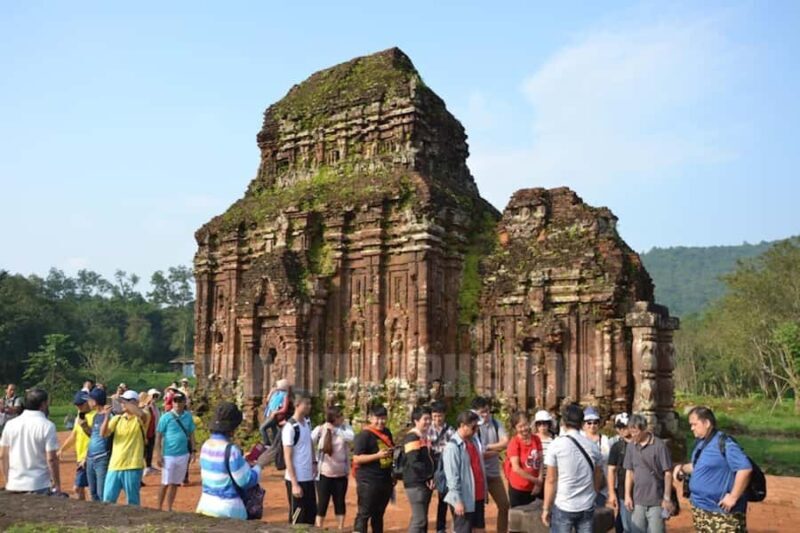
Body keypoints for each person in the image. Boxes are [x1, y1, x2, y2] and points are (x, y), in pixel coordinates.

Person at [672, 406, 752, 533]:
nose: (692, 428)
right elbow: (698, 466)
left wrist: (733, 496)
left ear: (707, 423)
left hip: (721, 513)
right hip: (701, 508)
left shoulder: (725, 443)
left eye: (694, 424)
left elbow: (745, 468)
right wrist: (681, 468)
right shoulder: (701, 443)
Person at [196, 401, 270, 519]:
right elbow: (246, 481)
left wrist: (243, 462)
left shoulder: (205, 446)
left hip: (206, 504)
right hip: (228, 509)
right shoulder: (231, 451)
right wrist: (260, 465)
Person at [541, 403, 604, 533]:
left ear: (563, 422)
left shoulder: (556, 445)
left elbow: (551, 480)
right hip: (586, 504)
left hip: (564, 504)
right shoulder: (592, 446)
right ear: (582, 423)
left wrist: (546, 508)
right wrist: (594, 494)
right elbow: (598, 475)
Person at [0, 388, 63, 495]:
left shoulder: (10, 424)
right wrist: (57, 484)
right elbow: (51, 459)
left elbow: (2, 455)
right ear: (43, 404)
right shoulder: (47, 425)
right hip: (38, 484)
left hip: (14, 484)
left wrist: (8, 481)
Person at [622, 414, 674, 533]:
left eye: (636, 432)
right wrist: (627, 496)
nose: (633, 435)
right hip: (638, 501)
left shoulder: (659, 446)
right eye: (631, 432)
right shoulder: (631, 447)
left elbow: (668, 473)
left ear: (644, 429)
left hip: (657, 502)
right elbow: (629, 472)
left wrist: (667, 498)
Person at [101, 389, 151, 505]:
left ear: (135, 402)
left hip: (133, 465)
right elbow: (103, 433)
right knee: (107, 500)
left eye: (127, 401)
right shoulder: (117, 419)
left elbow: (141, 414)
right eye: (123, 401)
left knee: (133, 501)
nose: (123, 404)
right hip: (115, 465)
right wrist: (106, 416)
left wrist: (121, 400)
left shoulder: (142, 417)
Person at [353, 404, 395, 533]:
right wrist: (377, 456)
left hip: (385, 480)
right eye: (377, 418)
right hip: (368, 481)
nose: (380, 422)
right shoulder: (364, 435)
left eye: (383, 418)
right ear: (370, 418)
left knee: (378, 514)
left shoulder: (387, 432)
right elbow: (357, 458)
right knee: (364, 514)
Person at [443, 410, 487, 533]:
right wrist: (457, 501)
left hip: (477, 496)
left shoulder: (473, 442)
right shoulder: (452, 447)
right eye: (473, 427)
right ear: (463, 426)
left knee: (479, 530)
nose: (476, 430)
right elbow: (452, 477)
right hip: (464, 499)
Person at [471, 396, 510, 533]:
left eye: (487, 411)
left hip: (493, 474)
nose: (486, 415)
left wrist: (487, 447)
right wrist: (497, 451)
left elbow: (505, 442)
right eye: (482, 412)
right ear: (475, 412)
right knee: (477, 509)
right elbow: (477, 453)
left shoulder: (496, 422)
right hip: (477, 476)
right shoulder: (473, 427)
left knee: (504, 505)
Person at [312, 406, 354, 530]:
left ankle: (340, 528)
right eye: (340, 416)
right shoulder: (320, 430)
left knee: (339, 502)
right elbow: (309, 441)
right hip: (324, 474)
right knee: (322, 503)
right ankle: (319, 527)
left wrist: (335, 430)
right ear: (334, 418)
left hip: (341, 474)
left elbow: (351, 437)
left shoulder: (344, 428)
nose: (342, 418)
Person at [154, 391, 196, 511]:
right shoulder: (166, 417)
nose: (177, 404)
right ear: (172, 403)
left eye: (179, 401)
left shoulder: (188, 416)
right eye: (175, 401)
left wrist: (193, 450)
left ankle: (169, 507)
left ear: (184, 403)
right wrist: (158, 454)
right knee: (165, 482)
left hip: (183, 454)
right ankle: (159, 507)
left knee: (175, 482)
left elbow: (191, 434)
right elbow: (158, 436)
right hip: (169, 454)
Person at [283, 392, 317, 525]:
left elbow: (309, 443)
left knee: (311, 513)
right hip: (297, 478)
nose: (309, 406)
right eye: (306, 404)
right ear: (297, 405)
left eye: (310, 403)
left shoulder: (307, 422)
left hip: (308, 477)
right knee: (298, 517)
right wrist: (294, 484)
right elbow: (288, 457)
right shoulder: (290, 427)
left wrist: (314, 462)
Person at [403, 406, 436, 533]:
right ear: (416, 420)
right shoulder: (412, 437)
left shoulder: (423, 437)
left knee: (421, 519)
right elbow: (414, 461)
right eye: (425, 419)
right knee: (419, 520)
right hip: (416, 483)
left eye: (429, 419)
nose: (428, 422)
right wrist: (428, 476)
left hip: (423, 483)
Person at [57, 391, 93, 500]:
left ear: (88, 402)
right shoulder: (79, 417)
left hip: (89, 457)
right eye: (77, 405)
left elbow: (96, 439)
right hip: (80, 457)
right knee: (81, 488)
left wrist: (87, 456)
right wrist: (62, 450)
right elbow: (74, 435)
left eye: (81, 404)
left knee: (85, 488)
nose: (79, 407)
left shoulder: (94, 416)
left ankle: (93, 510)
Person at [504, 411, 543, 508]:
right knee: (518, 518)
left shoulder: (536, 439)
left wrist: (539, 481)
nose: (524, 428)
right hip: (518, 488)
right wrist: (535, 480)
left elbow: (541, 460)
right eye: (520, 426)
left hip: (535, 487)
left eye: (525, 424)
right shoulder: (514, 443)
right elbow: (516, 468)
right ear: (515, 428)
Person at [428, 401, 456, 533]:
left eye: (439, 416)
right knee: (426, 495)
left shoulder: (450, 430)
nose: (437, 419)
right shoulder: (427, 429)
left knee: (444, 496)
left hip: (445, 464)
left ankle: (441, 528)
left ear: (444, 415)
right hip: (431, 463)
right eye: (434, 416)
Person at [607, 413, 632, 533]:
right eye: (620, 427)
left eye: (626, 426)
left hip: (642, 492)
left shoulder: (641, 444)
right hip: (622, 491)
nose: (623, 430)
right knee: (625, 525)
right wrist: (611, 492)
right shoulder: (617, 447)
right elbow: (611, 470)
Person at [85, 387, 111, 501]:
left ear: (95, 401)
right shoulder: (96, 416)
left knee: (102, 493)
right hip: (90, 457)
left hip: (102, 457)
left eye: (90, 400)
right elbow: (94, 436)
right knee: (93, 492)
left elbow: (104, 434)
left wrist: (107, 416)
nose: (88, 402)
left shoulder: (109, 416)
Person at [581, 407, 610, 506]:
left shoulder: (605, 440)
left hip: (603, 486)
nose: (592, 425)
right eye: (589, 422)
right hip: (584, 486)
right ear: (583, 424)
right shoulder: (579, 440)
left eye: (595, 422)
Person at [260, 379, 291, 445]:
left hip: (275, 416)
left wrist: (275, 412)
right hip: (270, 413)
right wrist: (271, 392)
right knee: (274, 432)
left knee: (262, 428)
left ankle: (267, 444)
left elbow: (284, 409)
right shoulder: (276, 394)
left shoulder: (285, 396)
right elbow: (268, 401)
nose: (276, 387)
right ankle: (276, 445)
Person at [143, 389, 161, 476]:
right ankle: (146, 467)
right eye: (153, 396)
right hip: (148, 432)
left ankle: (148, 466)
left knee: (150, 449)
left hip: (154, 431)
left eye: (156, 396)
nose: (155, 398)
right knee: (146, 450)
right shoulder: (147, 408)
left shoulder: (155, 407)